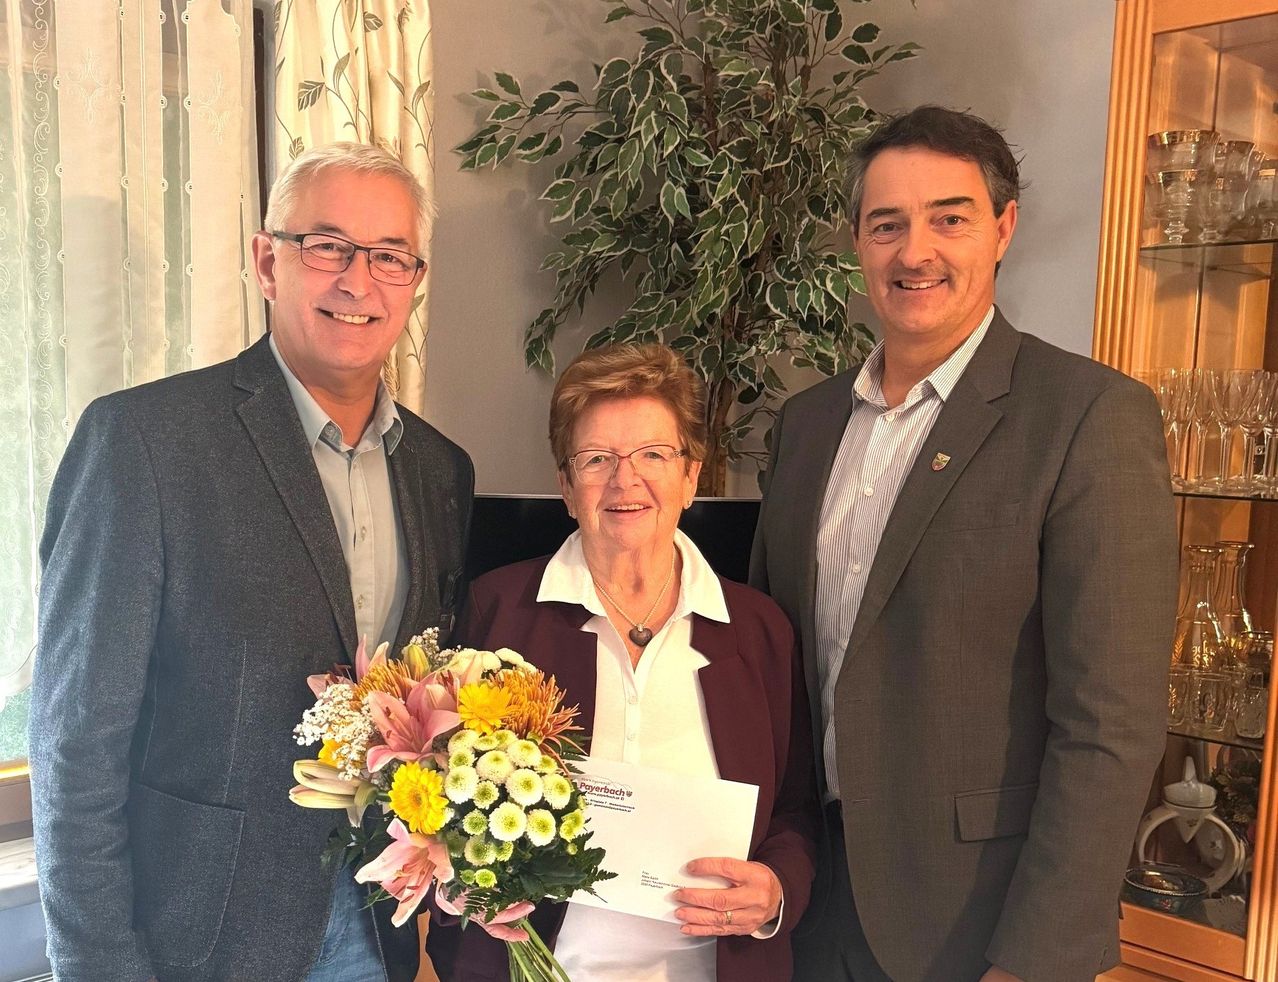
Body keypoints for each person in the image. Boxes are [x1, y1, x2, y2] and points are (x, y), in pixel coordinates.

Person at [750, 106, 1178, 982]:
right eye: (887, 225)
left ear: (1003, 228)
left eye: (950, 217)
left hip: (972, 920)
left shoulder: (1089, 418)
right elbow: (766, 661)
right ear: (858, 246)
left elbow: (1111, 725)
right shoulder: (806, 423)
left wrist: (1036, 959)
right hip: (801, 900)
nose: (916, 252)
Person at [30, 142, 473, 982]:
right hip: (198, 944)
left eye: (388, 256)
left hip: (377, 931)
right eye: (328, 246)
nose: (357, 281)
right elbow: (76, 747)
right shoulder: (145, 443)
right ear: (268, 261)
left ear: (414, 281)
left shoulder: (440, 471)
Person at [427, 343, 817, 982]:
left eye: (653, 455)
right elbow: (438, 809)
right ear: (566, 486)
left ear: (692, 476)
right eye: (597, 458)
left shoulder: (758, 631)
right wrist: (459, 891)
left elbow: (799, 814)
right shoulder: (499, 612)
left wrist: (775, 888)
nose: (624, 479)